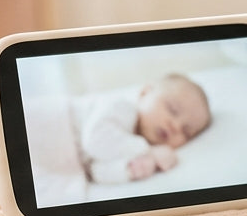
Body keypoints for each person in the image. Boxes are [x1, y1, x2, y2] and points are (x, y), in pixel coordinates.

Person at [72, 73, 211, 183]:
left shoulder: (132, 144)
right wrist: (149, 151)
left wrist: (131, 170)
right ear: (145, 93)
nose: (175, 126)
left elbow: (94, 171)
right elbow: (95, 141)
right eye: (172, 109)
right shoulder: (121, 108)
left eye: (186, 131)